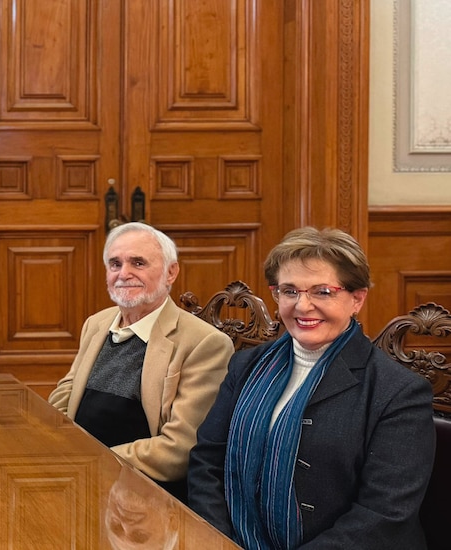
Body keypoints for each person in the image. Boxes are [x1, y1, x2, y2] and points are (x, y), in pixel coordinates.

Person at [188, 227, 436, 549]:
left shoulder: (399, 393)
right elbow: (207, 462)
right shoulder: (246, 365)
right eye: (289, 291)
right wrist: (220, 541)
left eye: (322, 292)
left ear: (357, 298)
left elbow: (384, 514)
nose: (302, 306)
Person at [47, 222, 234, 501]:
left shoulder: (205, 344)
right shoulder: (96, 324)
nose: (124, 274)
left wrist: (91, 461)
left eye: (138, 262)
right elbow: (62, 400)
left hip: (145, 494)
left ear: (171, 272)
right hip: (79, 480)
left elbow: (178, 449)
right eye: (115, 264)